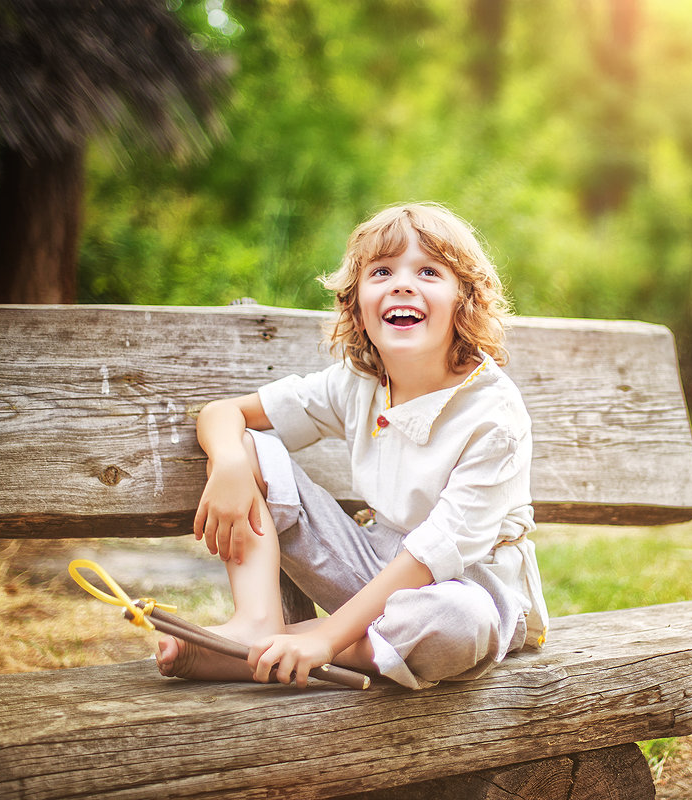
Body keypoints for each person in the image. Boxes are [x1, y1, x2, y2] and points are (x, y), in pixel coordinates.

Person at [155, 203, 548, 689]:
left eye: (428, 271)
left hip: (467, 587)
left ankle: (249, 655)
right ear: (357, 307)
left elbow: (429, 558)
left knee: (459, 622)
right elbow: (222, 413)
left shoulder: (493, 415)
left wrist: (324, 639)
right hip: (372, 564)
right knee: (254, 449)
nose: (403, 283)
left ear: (463, 302)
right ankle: (256, 625)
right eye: (382, 271)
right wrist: (231, 462)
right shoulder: (359, 382)